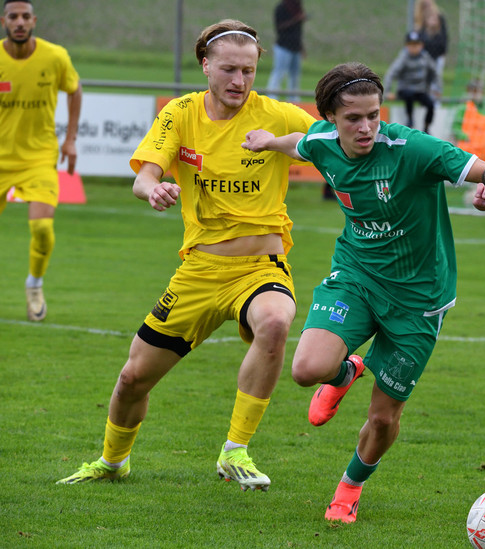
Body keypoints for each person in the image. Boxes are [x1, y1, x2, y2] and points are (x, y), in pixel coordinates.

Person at [242, 61, 485, 522]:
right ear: (330, 118)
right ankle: (345, 372)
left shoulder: (414, 149)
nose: (366, 127)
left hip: (419, 299)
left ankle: (348, 489)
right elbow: (300, 144)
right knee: (307, 369)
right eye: (353, 118)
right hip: (357, 276)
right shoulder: (323, 143)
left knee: (384, 417)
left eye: (373, 115)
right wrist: (268, 142)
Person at [56, 19, 315, 489]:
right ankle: (112, 463)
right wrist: (153, 189)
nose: (239, 81)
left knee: (276, 320)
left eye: (249, 71)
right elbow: (143, 176)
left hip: (259, 267)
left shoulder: (278, 116)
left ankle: (236, 450)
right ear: (205, 66)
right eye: (230, 69)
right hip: (198, 271)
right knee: (133, 378)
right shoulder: (180, 113)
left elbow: (334, 143)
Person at [0, 0, 82, 322]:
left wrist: (71, 139)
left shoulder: (55, 56)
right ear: (4, 20)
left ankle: (34, 284)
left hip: (38, 158)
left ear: (34, 20)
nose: (19, 22)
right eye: (12, 16)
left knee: (43, 228)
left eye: (24, 17)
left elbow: (75, 90)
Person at [383, 30, 439, 133]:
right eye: (411, 45)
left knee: (430, 104)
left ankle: (426, 127)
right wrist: (387, 91)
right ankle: (409, 120)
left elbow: (434, 72)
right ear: (407, 46)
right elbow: (391, 73)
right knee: (409, 95)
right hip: (405, 89)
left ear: (421, 45)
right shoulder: (403, 58)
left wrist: (436, 88)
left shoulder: (425, 58)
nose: (414, 48)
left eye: (416, 45)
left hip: (420, 90)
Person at [266, 0, 306, 102]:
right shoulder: (281, 7)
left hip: (296, 47)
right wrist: (296, 19)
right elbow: (279, 27)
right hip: (283, 46)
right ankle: (271, 97)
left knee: (295, 74)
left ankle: (293, 98)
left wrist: (301, 47)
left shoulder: (298, 7)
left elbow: (298, 32)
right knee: (279, 71)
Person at [413, 0, 447, 97]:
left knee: (436, 79)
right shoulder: (420, 23)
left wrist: (443, 52)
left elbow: (444, 39)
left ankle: (436, 102)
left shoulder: (439, 18)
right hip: (425, 56)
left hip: (437, 56)